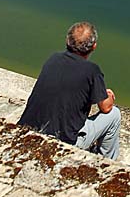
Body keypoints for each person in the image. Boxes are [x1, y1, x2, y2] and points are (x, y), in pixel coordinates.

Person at [18, 21, 121, 160]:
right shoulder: (92, 71)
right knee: (114, 115)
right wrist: (108, 95)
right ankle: (106, 163)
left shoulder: (53, 59)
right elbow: (106, 107)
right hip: (64, 141)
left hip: (28, 130)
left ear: (67, 40)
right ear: (94, 46)